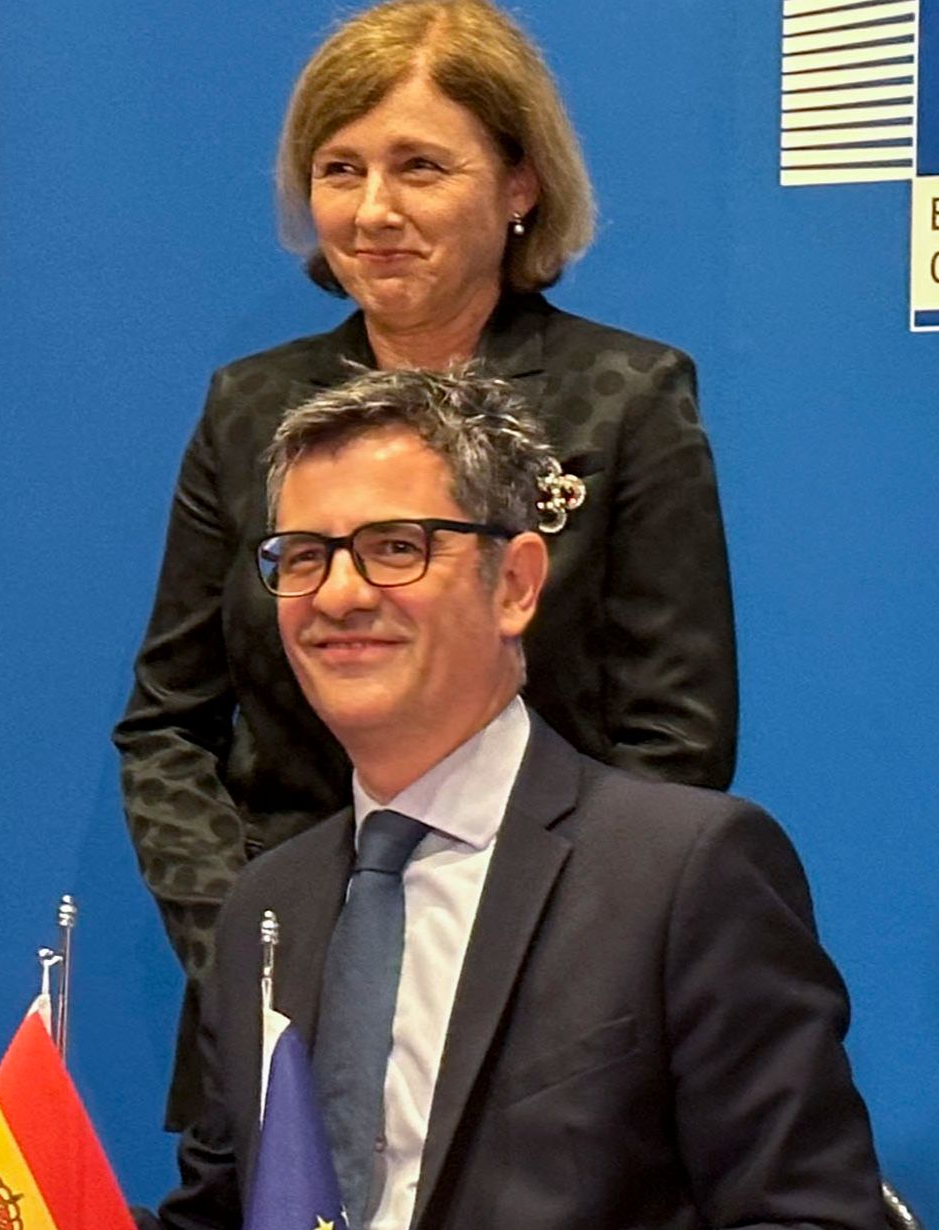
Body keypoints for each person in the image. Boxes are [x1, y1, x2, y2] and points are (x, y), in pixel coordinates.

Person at [139, 368, 895, 1230]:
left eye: (395, 548)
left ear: (516, 584)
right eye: (305, 557)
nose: (340, 595)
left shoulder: (681, 872)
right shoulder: (268, 902)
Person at [115, 0, 739, 1130]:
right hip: (284, 1015)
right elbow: (168, 727)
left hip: (545, 1021)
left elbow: (676, 742)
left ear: (518, 185)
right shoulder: (248, 406)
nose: (373, 211)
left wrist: (537, 965)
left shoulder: (625, 400)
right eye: (339, 170)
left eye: (419, 167)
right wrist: (258, 951)